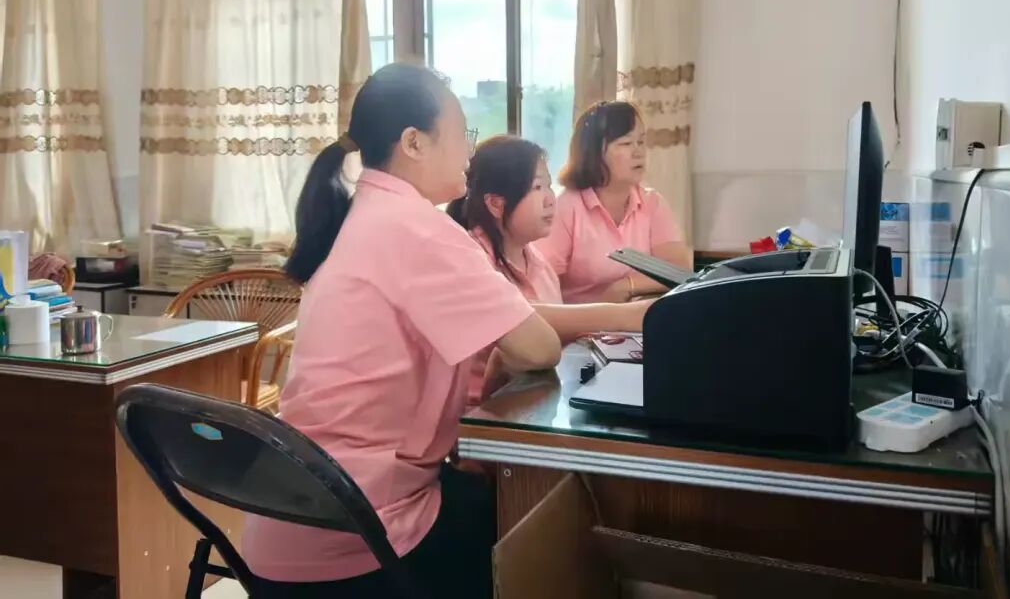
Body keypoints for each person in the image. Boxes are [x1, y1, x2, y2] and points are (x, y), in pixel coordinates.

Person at [243, 64, 562, 598]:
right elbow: (539, 347)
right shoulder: (418, 227)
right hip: (361, 534)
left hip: (288, 518)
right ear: (414, 142)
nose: (469, 151)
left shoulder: (363, 213)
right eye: (463, 132)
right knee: (539, 526)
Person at [446, 135, 652, 404]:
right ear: (496, 203)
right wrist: (626, 315)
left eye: (548, 185)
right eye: (536, 187)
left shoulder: (537, 262)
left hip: (530, 401)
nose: (550, 200)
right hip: (481, 416)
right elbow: (520, 317)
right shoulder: (470, 256)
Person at [538, 101, 693, 304]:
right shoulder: (565, 208)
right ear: (594, 152)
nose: (638, 152)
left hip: (638, 319)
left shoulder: (652, 203)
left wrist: (627, 286)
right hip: (582, 321)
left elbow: (679, 270)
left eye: (641, 141)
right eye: (626, 143)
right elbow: (542, 282)